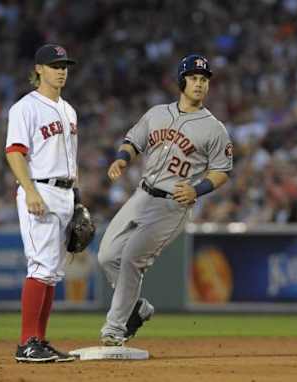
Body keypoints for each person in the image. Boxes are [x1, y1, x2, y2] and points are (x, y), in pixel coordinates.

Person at [98, 54, 234, 345]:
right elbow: (133, 141)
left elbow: (222, 171)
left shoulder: (214, 128)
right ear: (181, 81)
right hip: (142, 195)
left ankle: (114, 330)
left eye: (204, 79)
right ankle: (136, 307)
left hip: (173, 204)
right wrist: (122, 160)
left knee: (133, 258)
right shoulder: (157, 113)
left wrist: (198, 190)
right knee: (107, 256)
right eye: (194, 78)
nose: (199, 84)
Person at [5, 43, 80, 363]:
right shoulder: (25, 107)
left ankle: (39, 340)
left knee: (52, 273)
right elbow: (14, 152)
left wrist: (76, 199)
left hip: (64, 192)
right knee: (40, 267)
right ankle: (26, 343)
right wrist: (30, 190)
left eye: (64, 65)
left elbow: (69, 161)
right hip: (40, 191)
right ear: (39, 69)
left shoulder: (69, 109)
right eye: (54, 65)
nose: (61, 70)